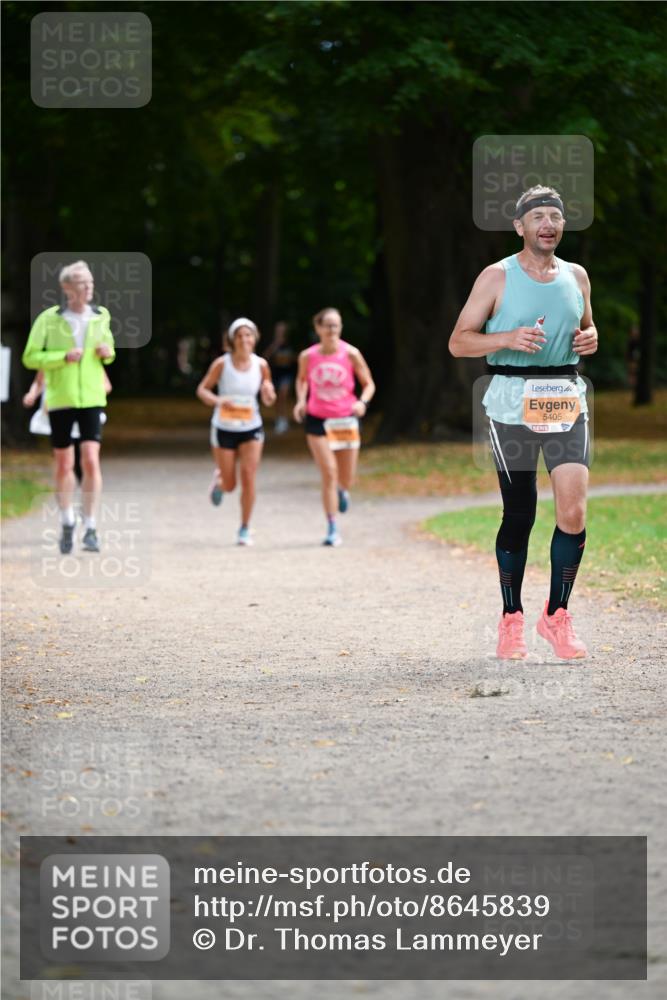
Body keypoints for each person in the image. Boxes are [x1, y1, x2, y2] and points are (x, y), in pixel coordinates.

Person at [449, 185, 598, 660]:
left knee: (573, 511)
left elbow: (586, 327)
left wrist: (591, 338)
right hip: (511, 403)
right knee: (521, 514)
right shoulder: (496, 277)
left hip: (564, 399)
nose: (548, 224)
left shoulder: (576, 276)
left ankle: (556, 616)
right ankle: (511, 618)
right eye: (538, 217)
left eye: (555, 216)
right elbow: (458, 342)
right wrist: (507, 337)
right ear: (520, 227)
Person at [22, 260, 115, 554]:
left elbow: (109, 352)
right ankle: (67, 520)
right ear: (67, 288)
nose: (89, 288)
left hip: (91, 397)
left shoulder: (101, 316)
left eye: (90, 282)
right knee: (64, 463)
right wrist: (62, 357)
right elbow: (31, 357)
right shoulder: (49, 319)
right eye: (82, 283)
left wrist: (107, 351)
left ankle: (90, 526)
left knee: (90, 459)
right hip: (61, 398)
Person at [293, 307, 375, 546]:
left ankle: (342, 491)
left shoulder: (351, 354)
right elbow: (301, 380)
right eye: (327, 325)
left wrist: (362, 402)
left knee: (346, 478)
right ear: (317, 327)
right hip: (317, 420)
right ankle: (331, 526)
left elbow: (368, 383)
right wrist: (300, 401)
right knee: (329, 472)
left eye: (336, 325)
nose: (332, 330)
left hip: (346, 419)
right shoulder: (307, 357)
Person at [196, 317, 276, 545]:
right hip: (224, 428)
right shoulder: (222, 364)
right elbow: (202, 390)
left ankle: (244, 528)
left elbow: (268, 397)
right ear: (232, 340)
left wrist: (269, 393)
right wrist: (219, 401)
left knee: (249, 476)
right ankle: (220, 482)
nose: (244, 339)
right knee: (231, 484)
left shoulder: (261, 365)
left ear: (254, 338)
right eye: (239, 336)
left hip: (251, 426)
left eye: (248, 335)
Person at [23, 369, 112, 483]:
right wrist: (32, 395)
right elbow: (39, 382)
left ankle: (86, 486)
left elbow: (106, 385)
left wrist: (89, 392)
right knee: (64, 461)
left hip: (84, 412)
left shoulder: (89, 359)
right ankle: (67, 491)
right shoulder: (52, 357)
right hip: (58, 412)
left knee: (87, 456)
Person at [263, 320, 297, 434]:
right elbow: (265, 357)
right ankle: (279, 418)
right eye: (279, 330)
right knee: (277, 397)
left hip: (287, 373)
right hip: (275, 373)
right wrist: (275, 345)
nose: (280, 332)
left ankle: (284, 419)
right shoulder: (272, 343)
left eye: (282, 330)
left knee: (283, 394)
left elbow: (296, 358)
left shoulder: (291, 342)